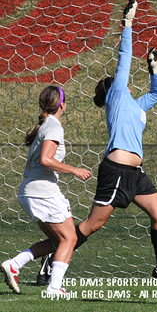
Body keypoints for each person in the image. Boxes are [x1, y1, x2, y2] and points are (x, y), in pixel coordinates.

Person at [37, 0, 157, 284]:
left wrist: (154, 67)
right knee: (91, 225)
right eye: (119, 82)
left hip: (135, 173)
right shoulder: (117, 96)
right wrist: (128, 23)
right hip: (117, 170)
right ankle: (53, 258)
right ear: (111, 91)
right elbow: (124, 59)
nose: (123, 81)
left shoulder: (135, 105)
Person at [1, 85, 91, 295]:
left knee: (57, 241)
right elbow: (46, 159)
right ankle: (54, 287)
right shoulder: (54, 126)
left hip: (29, 191)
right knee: (70, 239)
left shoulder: (44, 125)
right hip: (43, 192)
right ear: (61, 104)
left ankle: (15, 264)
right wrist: (75, 170)